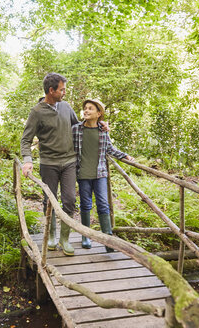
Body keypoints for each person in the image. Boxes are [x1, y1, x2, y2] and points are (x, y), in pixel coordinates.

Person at [20, 73, 78, 256]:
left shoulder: (67, 107)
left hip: (69, 161)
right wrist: (27, 161)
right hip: (49, 163)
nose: (64, 92)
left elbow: (78, 127)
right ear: (51, 91)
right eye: (62, 89)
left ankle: (65, 238)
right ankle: (51, 235)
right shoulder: (37, 112)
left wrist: (100, 126)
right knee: (49, 200)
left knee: (69, 199)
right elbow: (25, 140)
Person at [72, 99, 134, 252]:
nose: (86, 111)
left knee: (103, 204)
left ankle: (108, 238)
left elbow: (110, 149)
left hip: (100, 173)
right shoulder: (76, 129)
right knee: (85, 205)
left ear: (98, 113)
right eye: (85, 108)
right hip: (83, 173)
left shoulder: (102, 131)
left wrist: (125, 156)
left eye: (90, 109)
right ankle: (86, 236)